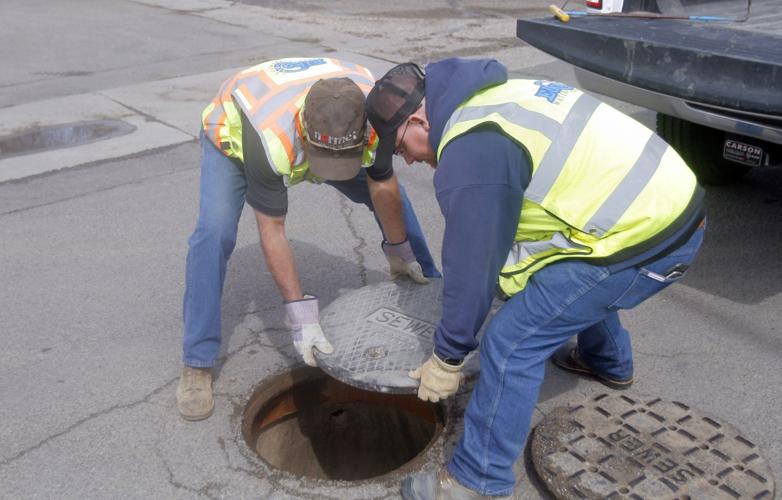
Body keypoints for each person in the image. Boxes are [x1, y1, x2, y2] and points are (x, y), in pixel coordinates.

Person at [365, 58, 705, 499]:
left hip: (647, 241)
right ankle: (608, 361)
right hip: (665, 206)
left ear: (417, 118)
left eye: (399, 146)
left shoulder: (471, 154)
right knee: (552, 283)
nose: (407, 158)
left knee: (511, 341)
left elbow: (473, 263)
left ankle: (477, 481)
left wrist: (448, 357)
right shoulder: (488, 99)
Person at [177, 57, 440, 422]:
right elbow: (272, 229)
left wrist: (399, 252)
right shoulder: (268, 137)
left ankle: (430, 289)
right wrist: (301, 318)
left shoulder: (378, 112)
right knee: (213, 233)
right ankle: (196, 361)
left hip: (327, 130)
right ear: (304, 133)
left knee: (396, 201)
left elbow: (382, 183)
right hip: (237, 127)